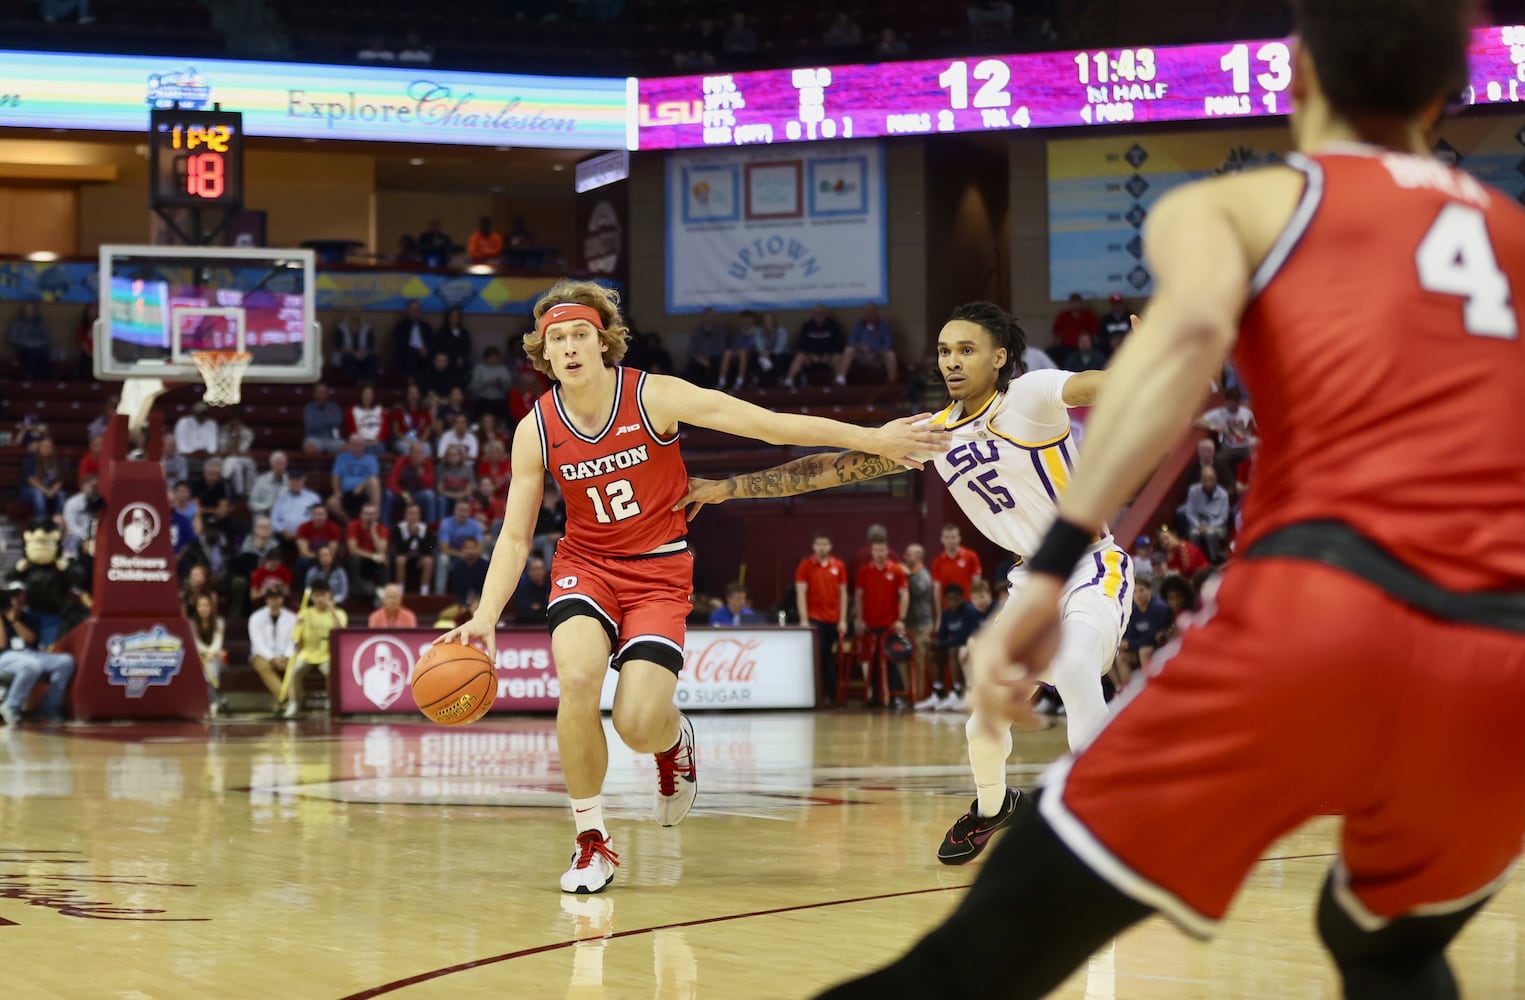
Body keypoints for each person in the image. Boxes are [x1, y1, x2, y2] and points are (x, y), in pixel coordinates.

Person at [819, 2, 1525, 995]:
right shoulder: (1510, 231)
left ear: (1297, 78)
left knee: (978, 955)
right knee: (1386, 942)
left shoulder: (1234, 208)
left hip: (1325, 605)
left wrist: (1045, 574)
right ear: (1446, 94)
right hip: (1505, 654)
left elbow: (1175, 371)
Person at [438, 279, 944, 895]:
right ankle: (590, 840)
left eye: (580, 335)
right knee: (575, 682)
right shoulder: (534, 429)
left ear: (603, 344)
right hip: (586, 565)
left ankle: (673, 743)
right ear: (544, 353)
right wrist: (486, 614)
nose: (569, 347)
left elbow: (767, 425)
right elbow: (516, 537)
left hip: (657, 570)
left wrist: (873, 438)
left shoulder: (655, 396)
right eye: (556, 339)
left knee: (637, 723)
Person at [681, 300, 1129, 861]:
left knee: (1071, 666)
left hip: (1090, 564)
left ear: (1000, 357)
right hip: (1029, 584)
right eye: (944, 351)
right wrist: (728, 489)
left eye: (966, 350)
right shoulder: (930, 434)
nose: (952, 362)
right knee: (981, 725)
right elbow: (827, 470)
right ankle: (994, 808)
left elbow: (1099, 386)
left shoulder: (1032, 395)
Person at [0, 587, 75, 725]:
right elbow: (1, 643)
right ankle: (11, 706)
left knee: (66, 661)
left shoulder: (29, 617)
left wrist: (14, 621)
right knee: (31, 666)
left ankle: (50, 707)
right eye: (14, 601)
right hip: (5, 656)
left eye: (19, 601)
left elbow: (31, 639)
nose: (17, 605)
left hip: (31, 654)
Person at [794, 533, 848, 705]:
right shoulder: (805, 566)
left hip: (833, 618)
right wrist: (804, 618)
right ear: (813, 546)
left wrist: (843, 619)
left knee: (831, 656)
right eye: (819, 544)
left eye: (825, 544)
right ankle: (826, 694)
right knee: (821, 655)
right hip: (815, 618)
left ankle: (834, 694)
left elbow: (843, 595)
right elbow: (801, 593)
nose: (822, 547)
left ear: (830, 546)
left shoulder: (838, 566)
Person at [280, 580, 347, 718]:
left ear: (329, 596)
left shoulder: (339, 613)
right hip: (307, 653)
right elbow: (296, 639)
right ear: (312, 598)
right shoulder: (304, 614)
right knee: (295, 671)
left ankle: (331, 701)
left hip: (328, 655)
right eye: (317, 595)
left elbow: (341, 633)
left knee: (330, 672)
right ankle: (295, 702)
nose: (320, 599)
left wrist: (332, 611)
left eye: (323, 595)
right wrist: (298, 627)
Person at [247, 584, 296, 710]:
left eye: (278, 597)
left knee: (294, 665)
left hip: (286, 655)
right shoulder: (255, 617)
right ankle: (287, 698)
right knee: (263, 666)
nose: (275, 600)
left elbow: (293, 640)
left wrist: (286, 656)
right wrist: (272, 658)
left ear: (282, 599)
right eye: (272, 597)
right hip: (262, 655)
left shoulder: (292, 618)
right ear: (266, 599)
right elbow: (257, 643)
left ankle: (286, 701)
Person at [189, 593, 226, 717]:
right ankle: (216, 699)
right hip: (198, 655)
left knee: (212, 665)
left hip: (214, 655)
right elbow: (196, 643)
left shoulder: (219, 622)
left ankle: (213, 702)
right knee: (207, 666)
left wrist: (211, 653)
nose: (203, 609)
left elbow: (217, 642)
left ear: (211, 607)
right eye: (200, 606)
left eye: (206, 605)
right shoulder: (191, 623)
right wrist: (206, 653)